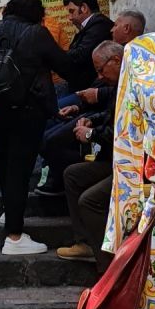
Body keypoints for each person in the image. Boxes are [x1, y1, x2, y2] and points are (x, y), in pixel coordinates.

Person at [0, 0, 65, 255]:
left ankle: (10, 213)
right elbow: (63, 63)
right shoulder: (36, 34)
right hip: (26, 111)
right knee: (20, 170)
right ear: (36, 13)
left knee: (5, 163)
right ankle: (14, 237)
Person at [43, 39, 123, 206]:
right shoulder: (117, 84)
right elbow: (108, 115)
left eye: (101, 70)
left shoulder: (129, 86)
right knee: (70, 171)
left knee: (88, 200)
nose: (100, 76)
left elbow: (120, 131)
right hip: (108, 152)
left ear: (116, 60)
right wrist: (89, 120)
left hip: (122, 162)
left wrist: (91, 134)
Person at [54, 0, 115, 90]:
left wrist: (54, 53)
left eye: (72, 11)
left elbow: (80, 55)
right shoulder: (89, 27)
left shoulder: (99, 25)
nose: (69, 18)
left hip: (92, 89)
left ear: (84, 8)